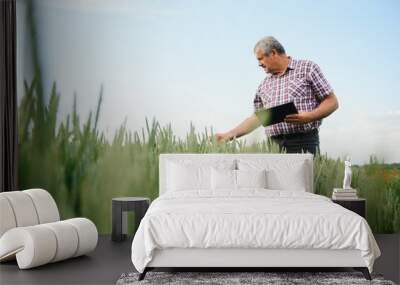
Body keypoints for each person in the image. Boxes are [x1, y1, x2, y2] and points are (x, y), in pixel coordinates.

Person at [215, 36, 339, 155]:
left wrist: (310, 116)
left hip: (303, 141)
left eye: (260, 58)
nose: (259, 64)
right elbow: (258, 118)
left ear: (273, 53)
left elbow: (332, 102)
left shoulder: (307, 68)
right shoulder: (264, 84)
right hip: (272, 146)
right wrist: (228, 135)